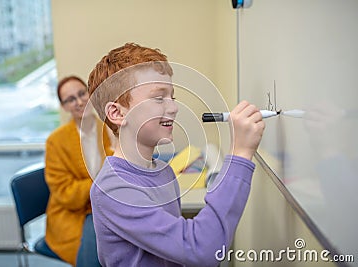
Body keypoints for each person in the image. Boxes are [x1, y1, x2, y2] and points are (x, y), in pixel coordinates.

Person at [85, 43, 265, 266]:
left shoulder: (164, 171)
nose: (173, 107)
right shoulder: (112, 190)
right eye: (159, 98)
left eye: (173, 97)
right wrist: (240, 153)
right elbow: (201, 249)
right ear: (117, 113)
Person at [44, 75, 113, 266]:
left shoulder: (106, 129)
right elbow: (64, 194)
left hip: (104, 207)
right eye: (70, 99)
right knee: (101, 252)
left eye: (82, 94)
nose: (79, 102)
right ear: (64, 107)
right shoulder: (56, 142)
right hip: (74, 214)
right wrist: (98, 184)